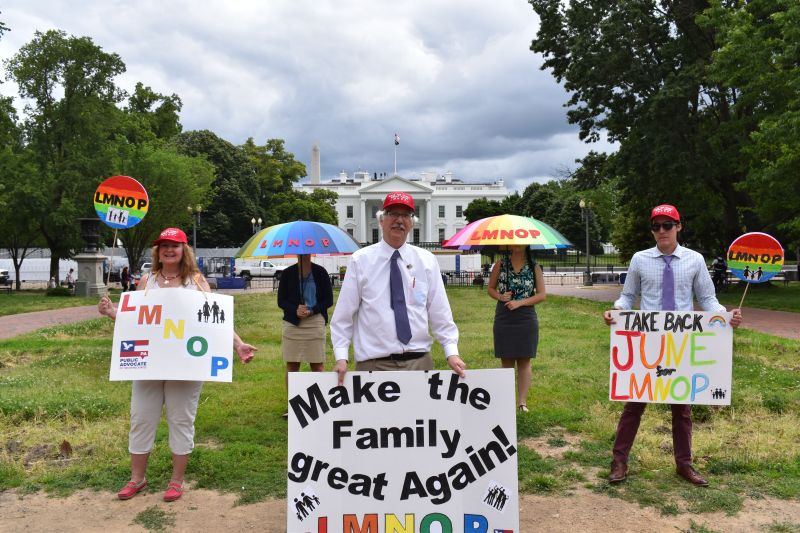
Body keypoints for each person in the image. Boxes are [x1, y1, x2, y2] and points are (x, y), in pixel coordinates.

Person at [98, 227, 257, 502]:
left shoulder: (196, 281)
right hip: (149, 364)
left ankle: (176, 481)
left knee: (181, 419)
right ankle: (137, 479)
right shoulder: (147, 282)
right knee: (141, 418)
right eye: (164, 246)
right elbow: (135, 320)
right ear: (157, 251)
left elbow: (213, 320)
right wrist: (113, 312)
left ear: (185, 250)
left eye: (175, 245)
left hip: (186, 365)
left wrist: (237, 344)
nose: (169, 250)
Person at [603, 205, 742, 487]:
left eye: (668, 225)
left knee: (682, 408)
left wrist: (726, 315)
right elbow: (628, 296)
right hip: (648, 341)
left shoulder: (695, 260)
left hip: (681, 342)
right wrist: (616, 311)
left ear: (679, 226)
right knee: (634, 403)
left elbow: (707, 299)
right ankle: (619, 461)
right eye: (657, 226)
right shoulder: (640, 260)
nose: (662, 231)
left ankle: (684, 464)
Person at [330, 192, 466, 384]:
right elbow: (343, 315)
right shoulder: (361, 260)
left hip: (419, 363)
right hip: (373, 366)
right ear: (381, 220)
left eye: (406, 215)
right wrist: (341, 357)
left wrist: (451, 352)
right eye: (393, 213)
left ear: (412, 223)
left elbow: (439, 311)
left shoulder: (426, 261)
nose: (399, 220)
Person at [487, 245, 546, 413]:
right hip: (504, 316)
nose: (517, 244)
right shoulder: (500, 264)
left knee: (524, 360)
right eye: (513, 241)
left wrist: (520, 302)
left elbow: (542, 295)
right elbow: (490, 289)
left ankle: (522, 403)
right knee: (506, 360)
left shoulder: (534, 266)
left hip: (526, 317)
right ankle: (505, 401)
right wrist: (500, 296)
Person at [278, 254, 333, 417]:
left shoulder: (320, 272)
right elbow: (281, 301)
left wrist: (312, 310)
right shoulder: (288, 273)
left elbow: (328, 300)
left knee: (317, 365)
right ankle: (293, 407)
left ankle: (320, 406)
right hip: (293, 323)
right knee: (292, 365)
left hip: (315, 321)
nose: (304, 253)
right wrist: (295, 309)